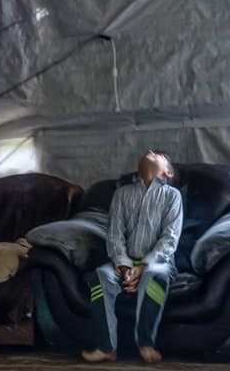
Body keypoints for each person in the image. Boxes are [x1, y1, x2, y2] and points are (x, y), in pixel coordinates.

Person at [81, 150, 183, 364]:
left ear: (168, 173)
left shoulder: (172, 197)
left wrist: (144, 266)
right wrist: (124, 266)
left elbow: (170, 238)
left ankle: (146, 343)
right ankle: (106, 347)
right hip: (123, 261)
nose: (151, 152)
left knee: (155, 276)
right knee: (100, 275)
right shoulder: (122, 194)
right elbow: (114, 234)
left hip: (158, 263)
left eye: (158, 155)